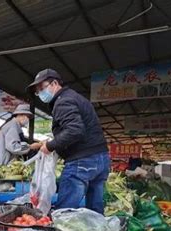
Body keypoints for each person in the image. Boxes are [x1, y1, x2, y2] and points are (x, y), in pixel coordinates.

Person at [27, 68, 110, 214]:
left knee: (63, 212)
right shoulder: (75, 97)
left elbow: (74, 130)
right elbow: (77, 128)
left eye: (42, 88)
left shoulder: (63, 101)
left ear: (54, 83)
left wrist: (51, 146)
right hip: (101, 158)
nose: (40, 94)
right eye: (37, 91)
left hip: (82, 161)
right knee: (95, 210)